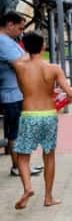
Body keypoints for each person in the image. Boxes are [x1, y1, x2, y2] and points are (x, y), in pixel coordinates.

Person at [11, 31, 72, 209]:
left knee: (23, 157)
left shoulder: (19, 66)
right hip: (49, 115)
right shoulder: (54, 69)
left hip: (29, 114)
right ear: (43, 47)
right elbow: (70, 93)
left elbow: (21, 59)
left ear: (25, 47)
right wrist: (60, 103)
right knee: (49, 156)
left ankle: (28, 188)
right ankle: (48, 197)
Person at [0, 11, 29, 177]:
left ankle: (21, 165)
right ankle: (18, 166)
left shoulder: (10, 41)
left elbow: (24, 58)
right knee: (15, 132)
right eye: (20, 28)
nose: (21, 32)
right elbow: (21, 63)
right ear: (10, 25)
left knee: (18, 131)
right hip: (11, 95)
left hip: (16, 93)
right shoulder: (3, 42)